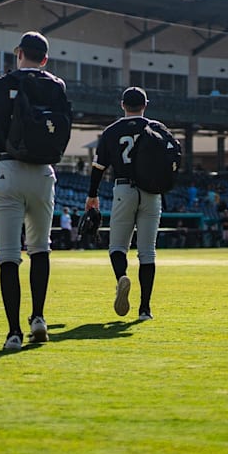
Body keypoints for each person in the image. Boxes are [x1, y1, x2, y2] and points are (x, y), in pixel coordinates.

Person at [0, 31, 69, 351]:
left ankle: (14, 333)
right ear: (45, 59)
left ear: (18, 52)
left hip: (7, 171)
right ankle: (39, 319)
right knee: (40, 249)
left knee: (8, 254)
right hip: (45, 173)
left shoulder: (1, 84)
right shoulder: (56, 86)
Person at [87, 86, 163, 321]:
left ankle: (122, 276)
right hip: (151, 191)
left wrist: (92, 194)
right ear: (145, 106)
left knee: (117, 247)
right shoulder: (156, 128)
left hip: (123, 187)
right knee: (147, 252)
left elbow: (99, 166)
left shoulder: (111, 131)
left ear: (122, 105)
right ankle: (145, 310)